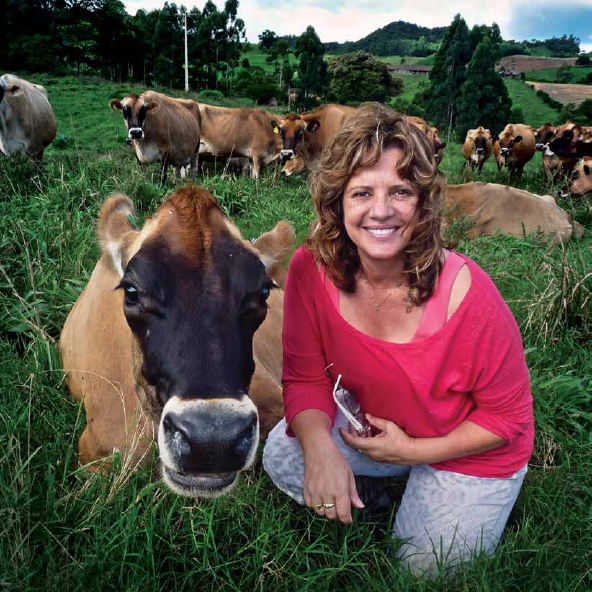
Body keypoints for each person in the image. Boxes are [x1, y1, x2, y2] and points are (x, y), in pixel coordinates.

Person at [262, 103, 533, 577]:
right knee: (283, 455)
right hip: (379, 431)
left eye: (401, 191)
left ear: (423, 203)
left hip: (468, 448)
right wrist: (321, 449)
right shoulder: (309, 270)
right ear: (336, 202)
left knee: (422, 569)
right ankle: (384, 492)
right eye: (361, 192)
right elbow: (304, 378)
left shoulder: (470, 298)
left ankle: (428, 488)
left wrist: (413, 452)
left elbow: (508, 419)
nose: (381, 211)